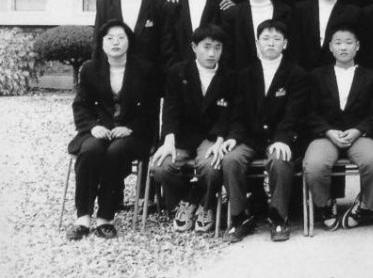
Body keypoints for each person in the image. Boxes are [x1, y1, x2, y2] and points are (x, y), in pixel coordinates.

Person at [66, 20, 160, 240]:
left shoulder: (145, 70)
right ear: (102, 43)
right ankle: (83, 217)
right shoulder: (90, 69)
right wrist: (93, 127)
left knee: (115, 152)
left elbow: (151, 110)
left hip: (133, 133)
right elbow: (81, 105)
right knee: (90, 150)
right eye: (109, 38)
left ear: (129, 41)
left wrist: (130, 128)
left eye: (121, 38)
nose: (115, 42)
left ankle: (105, 218)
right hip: (99, 129)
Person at [221, 20, 308, 243]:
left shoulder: (296, 73)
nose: (271, 43)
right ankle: (240, 216)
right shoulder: (245, 74)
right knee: (230, 160)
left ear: (285, 44)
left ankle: (278, 216)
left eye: (277, 39)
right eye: (266, 39)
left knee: (280, 159)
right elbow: (237, 113)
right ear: (257, 43)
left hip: (282, 137)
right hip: (251, 137)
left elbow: (295, 113)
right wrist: (233, 137)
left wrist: (283, 138)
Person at [151, 25, 234, 234]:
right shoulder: (178, 72)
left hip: (211, 136)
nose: (211, 53)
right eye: (206, 47)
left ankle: (206, 205)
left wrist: (220, 140)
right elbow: (170, 109)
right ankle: (187, 201)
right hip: (182, 135)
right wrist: (168, 140)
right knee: (161, 166)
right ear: (194, 47)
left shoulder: (230, 75)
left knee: (211, 166)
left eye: (217, 47)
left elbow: (228, 114)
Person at [302, 25, 373, 231]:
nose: (343, 47)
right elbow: (310, 112)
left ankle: (364, 206)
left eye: (349, 43)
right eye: (338, 43)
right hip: (326, 135)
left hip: (359, 135)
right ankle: (325, 205)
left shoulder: (372, 77)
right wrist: (328, 131)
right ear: (330, 47)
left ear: (357, 46)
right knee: (314, 165)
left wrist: (358, 130)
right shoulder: (316, 76)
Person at [287, 0, 360, 71]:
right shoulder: (301, 9)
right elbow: (294, 45)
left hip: (336, 71)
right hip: (304, 71)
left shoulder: (352, 13)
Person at [220, 0, 290, 71]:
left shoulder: (285, 12)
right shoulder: (232, 14)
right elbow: (227, 52)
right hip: (242, 73)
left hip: (280, 71)